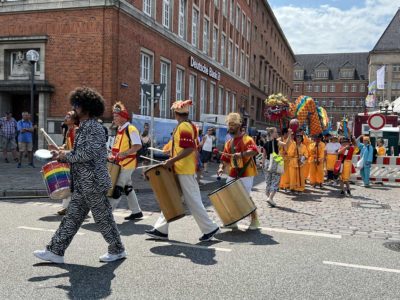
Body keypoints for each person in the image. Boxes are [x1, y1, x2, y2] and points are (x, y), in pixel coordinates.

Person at [34, 87, 126, 263]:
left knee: (103, 218)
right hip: (84, 183)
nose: (74, 108)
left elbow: (87, 154)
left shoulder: (94, 128)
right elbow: (80, 153)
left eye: (77, 105)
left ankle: (117, 249)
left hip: (93, 182)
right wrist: (61, 155)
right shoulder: (84, 127)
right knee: (72, 218)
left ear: (87, 107)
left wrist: (65, 155)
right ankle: (55, 251)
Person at [145, 100, 219, 242]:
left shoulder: (184, 126)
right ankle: (160, 229)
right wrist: (170, 152)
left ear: (175, 113)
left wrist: (171, 160)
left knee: (193, 201)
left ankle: (210, 228)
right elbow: (185, 146)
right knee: (171, 197)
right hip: (181, 168)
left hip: (184, 169)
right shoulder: (187, 125)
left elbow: (189, 149)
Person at [217, 113, 260, 230]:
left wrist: (241, 154)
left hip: (246, 172)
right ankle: (232, 221)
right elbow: (224, 159)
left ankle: (255, 220)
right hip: (233, 172)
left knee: (245, 197)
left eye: (232, 125)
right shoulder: (229, 142)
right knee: (229, 196)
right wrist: (221, 167)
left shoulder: (247, 139)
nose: (230, 127)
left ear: (238, 126)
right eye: (229, 125)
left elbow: (255, 151)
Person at [108, 102, 143, 221]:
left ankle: (107, 215)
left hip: (128, 164)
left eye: (116, 116)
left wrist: (124, 153)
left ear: (123, 117)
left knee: (117, 187)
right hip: (119, 164)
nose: (114, 118)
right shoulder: (120, 129)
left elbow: (138, 145)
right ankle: (136, 211)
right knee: (128, 188)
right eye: (114, 116)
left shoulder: (131, 129)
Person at [50, 111, 79, 215]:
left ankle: (77, 208)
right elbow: (67, 146)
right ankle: (67, 207)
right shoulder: (68, 131)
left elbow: (77, 149)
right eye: (66, 115)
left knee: (75, 186)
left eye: (69, 116)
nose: (66, 117)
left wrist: (63, 152)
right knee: (70, 185)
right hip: (71, 161)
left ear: (74, 120)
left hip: (77, 162)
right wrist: (58, 149)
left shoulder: (76, 131)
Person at [262, 127, 292, 207]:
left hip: (267, 164)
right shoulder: (276, 142)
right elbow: (286, 144)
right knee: (275, 182)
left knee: (268, 183)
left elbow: (263, 156)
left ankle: (269, 198)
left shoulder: (265, 144)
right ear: (272, 134)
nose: (277, 133)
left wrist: (263, 165)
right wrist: (289, 135)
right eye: (275, 132)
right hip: (274, 163)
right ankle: (270, 198)